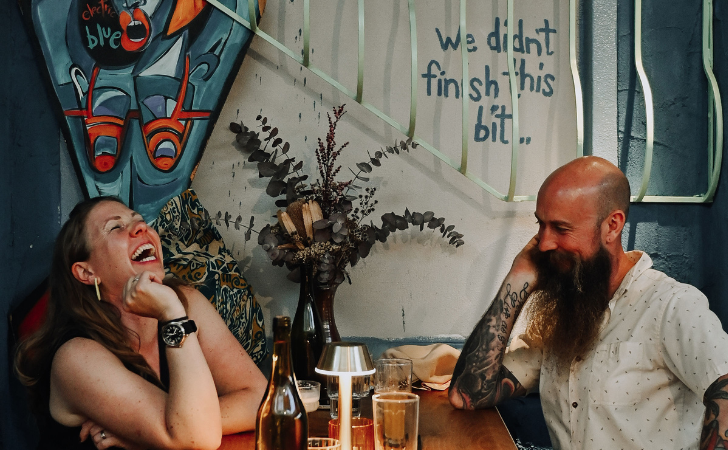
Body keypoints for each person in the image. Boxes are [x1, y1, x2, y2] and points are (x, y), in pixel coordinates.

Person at [448, 156, 728, 449]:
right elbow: (467, 394)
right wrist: (517, 278)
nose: (543, 243)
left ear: (612, 226)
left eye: (560, 228)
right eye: (540, 224)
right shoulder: (561, 319)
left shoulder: (672, 305)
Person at [15, 196, 267, 450]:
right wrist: (172, 316)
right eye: (116, 227)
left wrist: (150, 434)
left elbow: (263, 400)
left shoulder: (184, 301)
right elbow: (196, 438)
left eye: (140, 221)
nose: (140, 228)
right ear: (87, 273)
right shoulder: (75, 356)